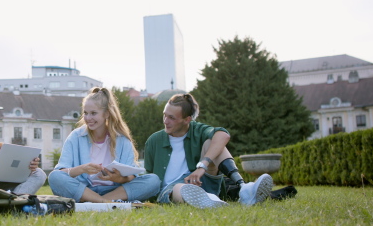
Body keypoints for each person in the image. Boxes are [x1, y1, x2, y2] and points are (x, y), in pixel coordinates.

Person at [144, 93, 273, 209]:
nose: (166, 121)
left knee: (213, 142)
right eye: (165, 115)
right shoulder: (153, 141)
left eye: (172, 118)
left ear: (187, 119)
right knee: (181, 188)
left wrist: (202, 166)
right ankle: (211, 201)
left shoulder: (197, 130)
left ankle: (244, 188)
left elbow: (224, 136)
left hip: (202, 179)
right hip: (172, 190)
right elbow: (150, 176)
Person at [49, 87, 161, 203]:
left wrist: (118, 178)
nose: (88, 118)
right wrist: (82, 169)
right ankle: (104, 202)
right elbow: (60, 173)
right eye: (86, 113)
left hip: (115, 190)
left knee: (153, 180)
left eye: (93, 113)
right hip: (84, 190)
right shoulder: (75, 137)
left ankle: (99, 201)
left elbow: (131, 176)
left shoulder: (122, 139)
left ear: (106, 113)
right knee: (54, 177)